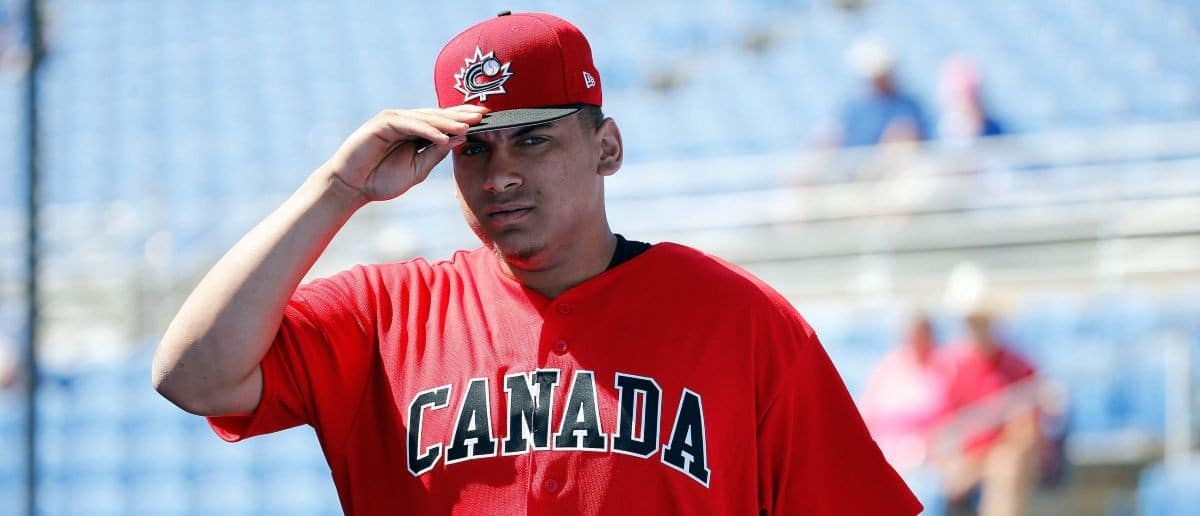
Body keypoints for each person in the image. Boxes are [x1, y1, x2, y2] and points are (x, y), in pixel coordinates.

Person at [151, 12, 921, 515]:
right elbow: (193, 376)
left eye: (533, 139)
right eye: (473, 149)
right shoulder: (385, 313)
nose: (501, 175)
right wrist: (337, 188)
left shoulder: (739, 318)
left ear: (606, 147)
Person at [932, 310, 1040, 516]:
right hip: (966, 456)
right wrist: (953, 459)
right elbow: (943, 424)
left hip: (1002, 454)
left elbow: (1025, 429)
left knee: (1006, 469)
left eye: (982, 322)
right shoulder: (953, 367)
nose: (977, 329)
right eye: (972, 323)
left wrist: (999, 453)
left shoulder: (1019, 366)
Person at [860, 312, 950, 473]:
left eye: (920, 334)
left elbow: (950, 418)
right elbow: (867, 413)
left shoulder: (943, 367)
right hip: (883, 453)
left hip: (926, 458)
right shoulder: (889, 365)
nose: (915, 340)